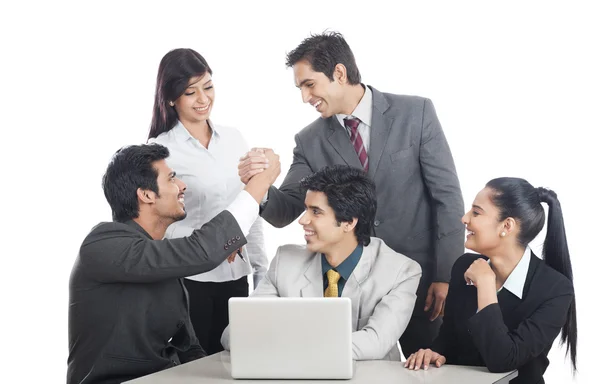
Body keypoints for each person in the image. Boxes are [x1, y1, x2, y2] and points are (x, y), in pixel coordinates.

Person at [238, 31, 464, 356]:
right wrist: (257, 185)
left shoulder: (416, 114)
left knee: (426, 366)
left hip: (422, 278)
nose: (305, 97)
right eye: (300, 88)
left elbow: (448, 199)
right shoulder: (310, 140)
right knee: (357, 361)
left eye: (309, 84)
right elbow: (285, 208)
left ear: (339, 74)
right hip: (355, 284)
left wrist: (445, 275)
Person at [67, 143, 280, 384]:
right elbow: (202, 250)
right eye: (171, 179)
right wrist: (258, 185)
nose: (182, 186)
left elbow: (189, 349)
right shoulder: (102, 243)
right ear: (146, 195)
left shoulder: (163, 259)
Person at [221, 165, 422, 360]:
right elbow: (234, 335)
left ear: (349, 222)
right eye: (306, 209)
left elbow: (375, 342)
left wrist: (283, 343)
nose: (302, 220)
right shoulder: (285, 262)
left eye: (316, 212)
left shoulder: (401, 272)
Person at [147, 48, 268, 355]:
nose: (203, 99)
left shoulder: (234, 138)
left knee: (237, 363)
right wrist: (219, 242)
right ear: (172, 97)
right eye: (191, 92)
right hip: (190, 282)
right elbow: (156, 225)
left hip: (236, 278)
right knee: (195, 367)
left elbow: (250, 207)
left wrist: (261, 271)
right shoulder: (159, 150)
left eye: (208, 87)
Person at [405, 178, 577, 384]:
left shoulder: (555, 289)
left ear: (507, 225)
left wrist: (485, 285)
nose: (464, 218)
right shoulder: (464, 266)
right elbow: (448, 338)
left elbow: (503, 360)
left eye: (476, 212)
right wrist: (433, 353)